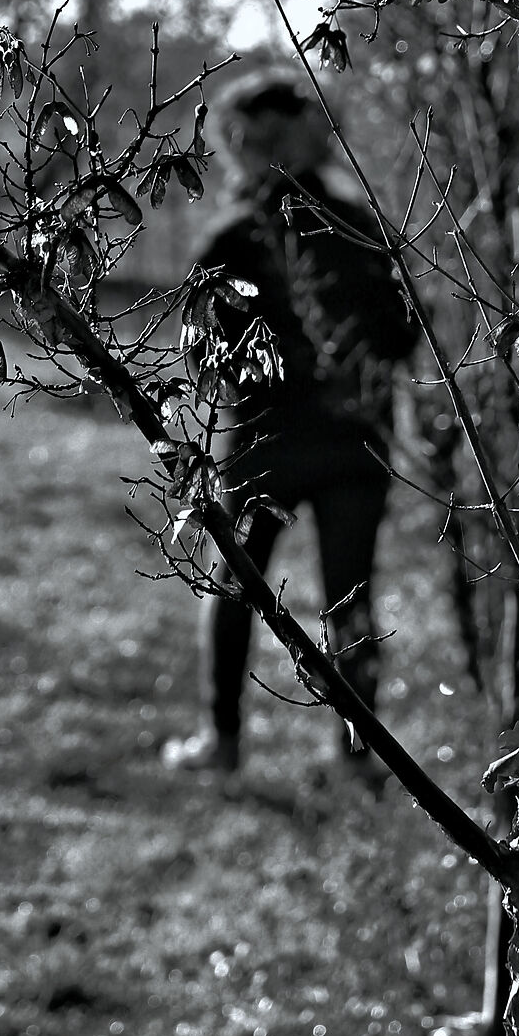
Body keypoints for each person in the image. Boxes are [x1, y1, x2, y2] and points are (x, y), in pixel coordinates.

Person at [163, 65, 421, 776]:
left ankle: (222, 743)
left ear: (246, 143)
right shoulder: (362, 227)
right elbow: (403, 337)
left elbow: (203, 351)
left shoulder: (234, 239)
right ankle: (357, 752)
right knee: (352, 599)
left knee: (235, 587)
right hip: (353, 442)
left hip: (262, 444)